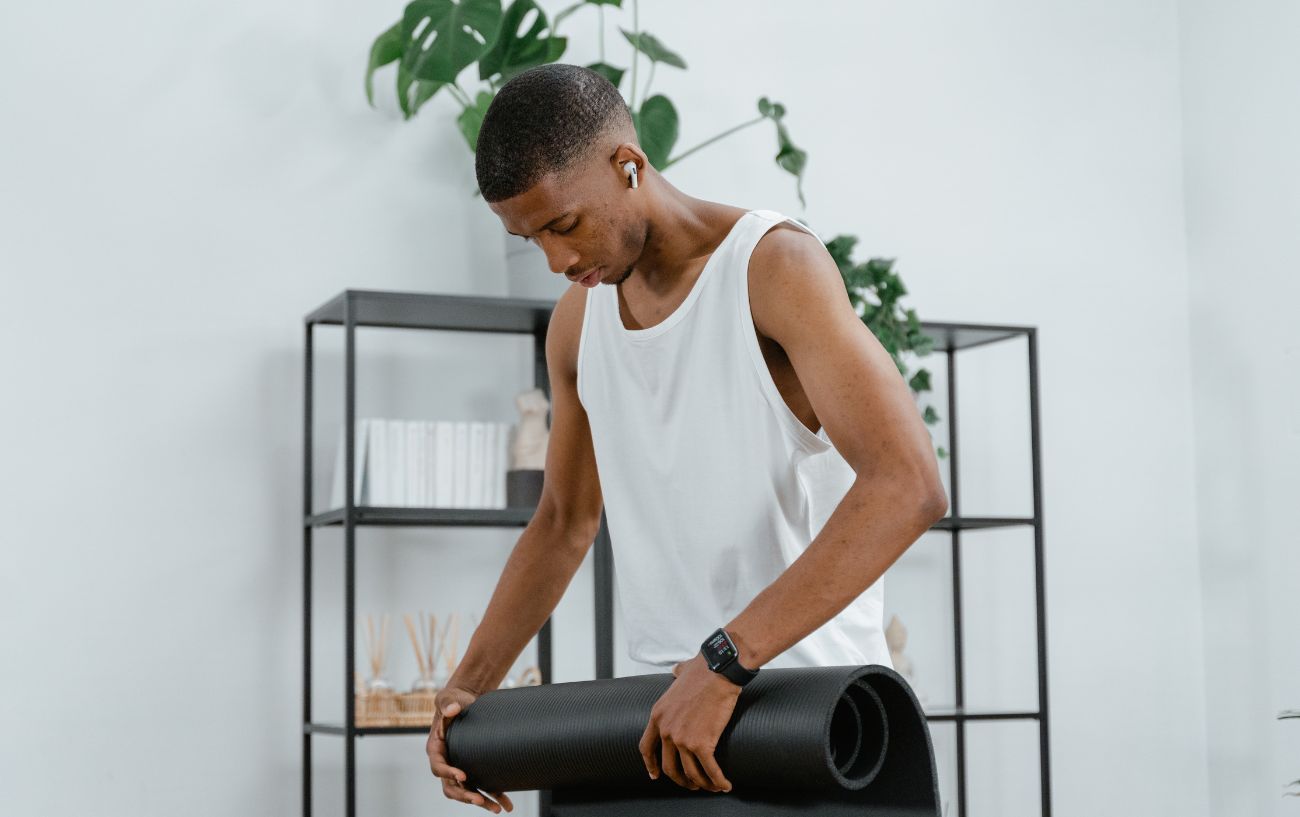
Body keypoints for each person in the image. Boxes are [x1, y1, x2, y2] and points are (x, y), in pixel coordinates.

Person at [426, 63, 948, 814]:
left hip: (808, 717)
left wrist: (726, 661)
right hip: (670, 725)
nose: (557, 261)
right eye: (529, 237)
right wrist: (467, 689)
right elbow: (564, 522)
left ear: (628, 166)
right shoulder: (577, 324)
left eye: (564, 223)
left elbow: (908, 483)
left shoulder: (773, 270)